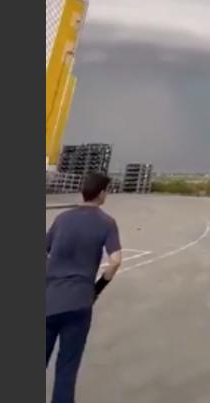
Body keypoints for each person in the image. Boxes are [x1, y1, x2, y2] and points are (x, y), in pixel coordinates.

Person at [46, 173, 123, 403]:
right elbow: (115, 260)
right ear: (101, 193)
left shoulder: (62, 219)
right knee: (66, 370)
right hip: (80, 302)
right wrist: (97, 289)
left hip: (49, 299)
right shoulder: (107, 222)